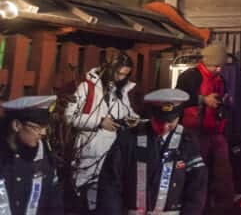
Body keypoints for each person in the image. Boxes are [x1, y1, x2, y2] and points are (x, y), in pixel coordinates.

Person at [96, 88, 207, 215]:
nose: (165, 127)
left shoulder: (188, 142)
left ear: (178, 117)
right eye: (160, 121)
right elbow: (110, 184)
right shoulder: (129, 139)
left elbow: (197, 188)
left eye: (170, 122)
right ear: (151, 115)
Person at [65, 49, 139, 212]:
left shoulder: (121, 91)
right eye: (119, 73)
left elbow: (126, 111)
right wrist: (99, 122)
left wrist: (133, 119)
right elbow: (70, 117)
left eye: (125, 75)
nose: (122, 78)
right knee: (85, 202)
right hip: (90, 154)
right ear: (110, 69)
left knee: (106, 202)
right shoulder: (87, 87)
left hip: (114, 153)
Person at [176, 43, 234, 210]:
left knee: (222, 177)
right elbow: (179, 98)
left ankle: (219, 209)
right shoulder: (190, 76)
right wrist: (203, 100)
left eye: (221, 66)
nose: (219, 69)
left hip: (217, 133)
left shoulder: (221, 80)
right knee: (198, 175)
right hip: (194, 133)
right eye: (216, 66)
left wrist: (227, 102)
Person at [0, 95, 63, 215]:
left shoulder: (44, 158)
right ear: (17, 125)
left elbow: (54, 201)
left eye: (45, 127)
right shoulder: (3, 157)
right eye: (37, 128)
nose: (43, 133)